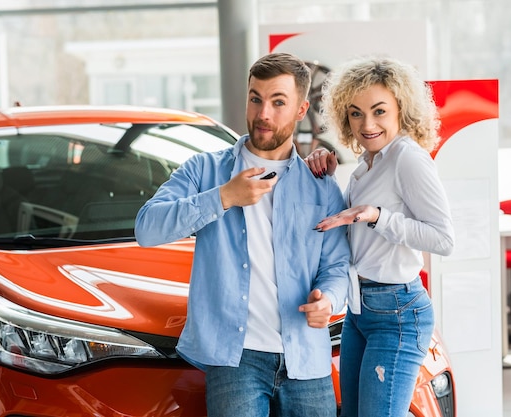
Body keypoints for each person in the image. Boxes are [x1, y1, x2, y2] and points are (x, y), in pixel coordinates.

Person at [135, 52, 351, 417]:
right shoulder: (204, 170)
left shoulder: (321, 186)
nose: (263, 113)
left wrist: (328, 299)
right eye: (256, 99)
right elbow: (147, 228)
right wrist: (223, 197)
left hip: (307, 358)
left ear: (301, 110)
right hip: (236, 361)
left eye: (278, 102)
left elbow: (338, 264)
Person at [304, 55, 455, 417]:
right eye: (356, 113)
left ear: (401, 108)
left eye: (379, 111)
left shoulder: (408, 158)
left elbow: (443, 239)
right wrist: (324, 173)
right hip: (359, 309)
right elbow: (355, 232)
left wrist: (377, 216)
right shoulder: (366, 164)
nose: (367, 124)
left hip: (398, 313)